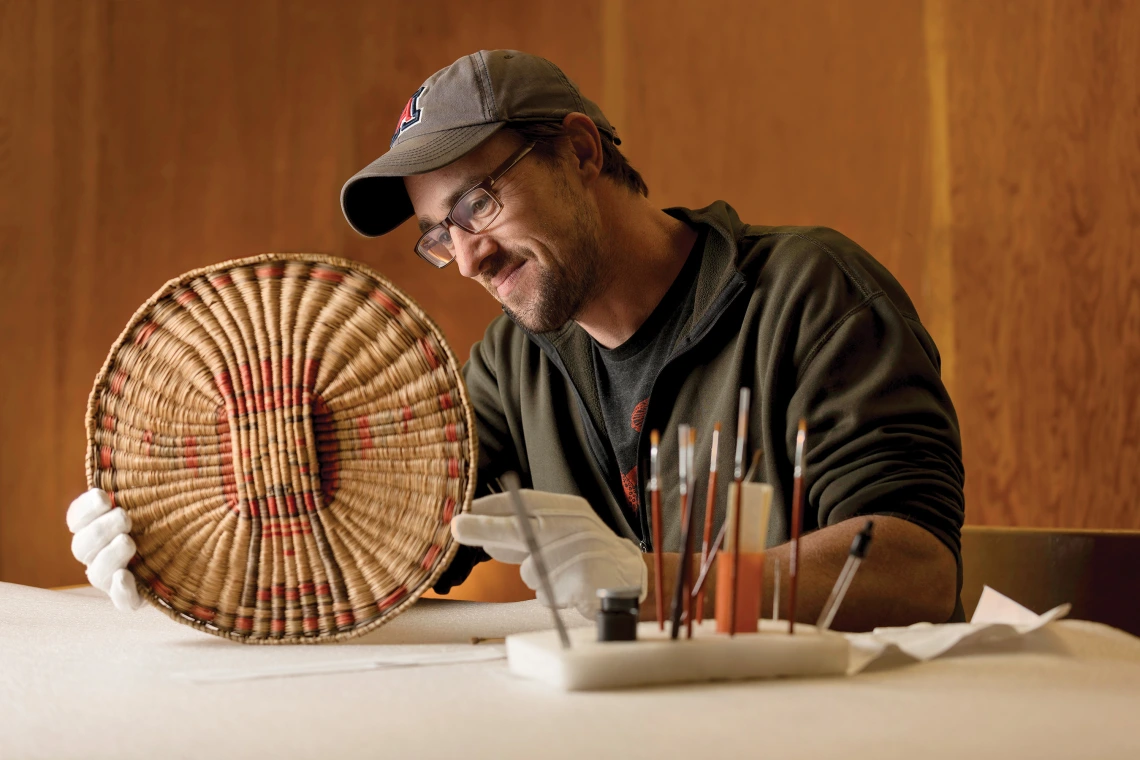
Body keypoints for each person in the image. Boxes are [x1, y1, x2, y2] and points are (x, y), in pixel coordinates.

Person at [68, 50, 964, 631]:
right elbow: (396, 538)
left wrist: (651, 578)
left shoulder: (808, 292)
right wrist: (173, 551)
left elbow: (917, 572)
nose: (467, 258)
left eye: (477, 204)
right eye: (439, 235)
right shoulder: (513, 362)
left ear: (580, 151)